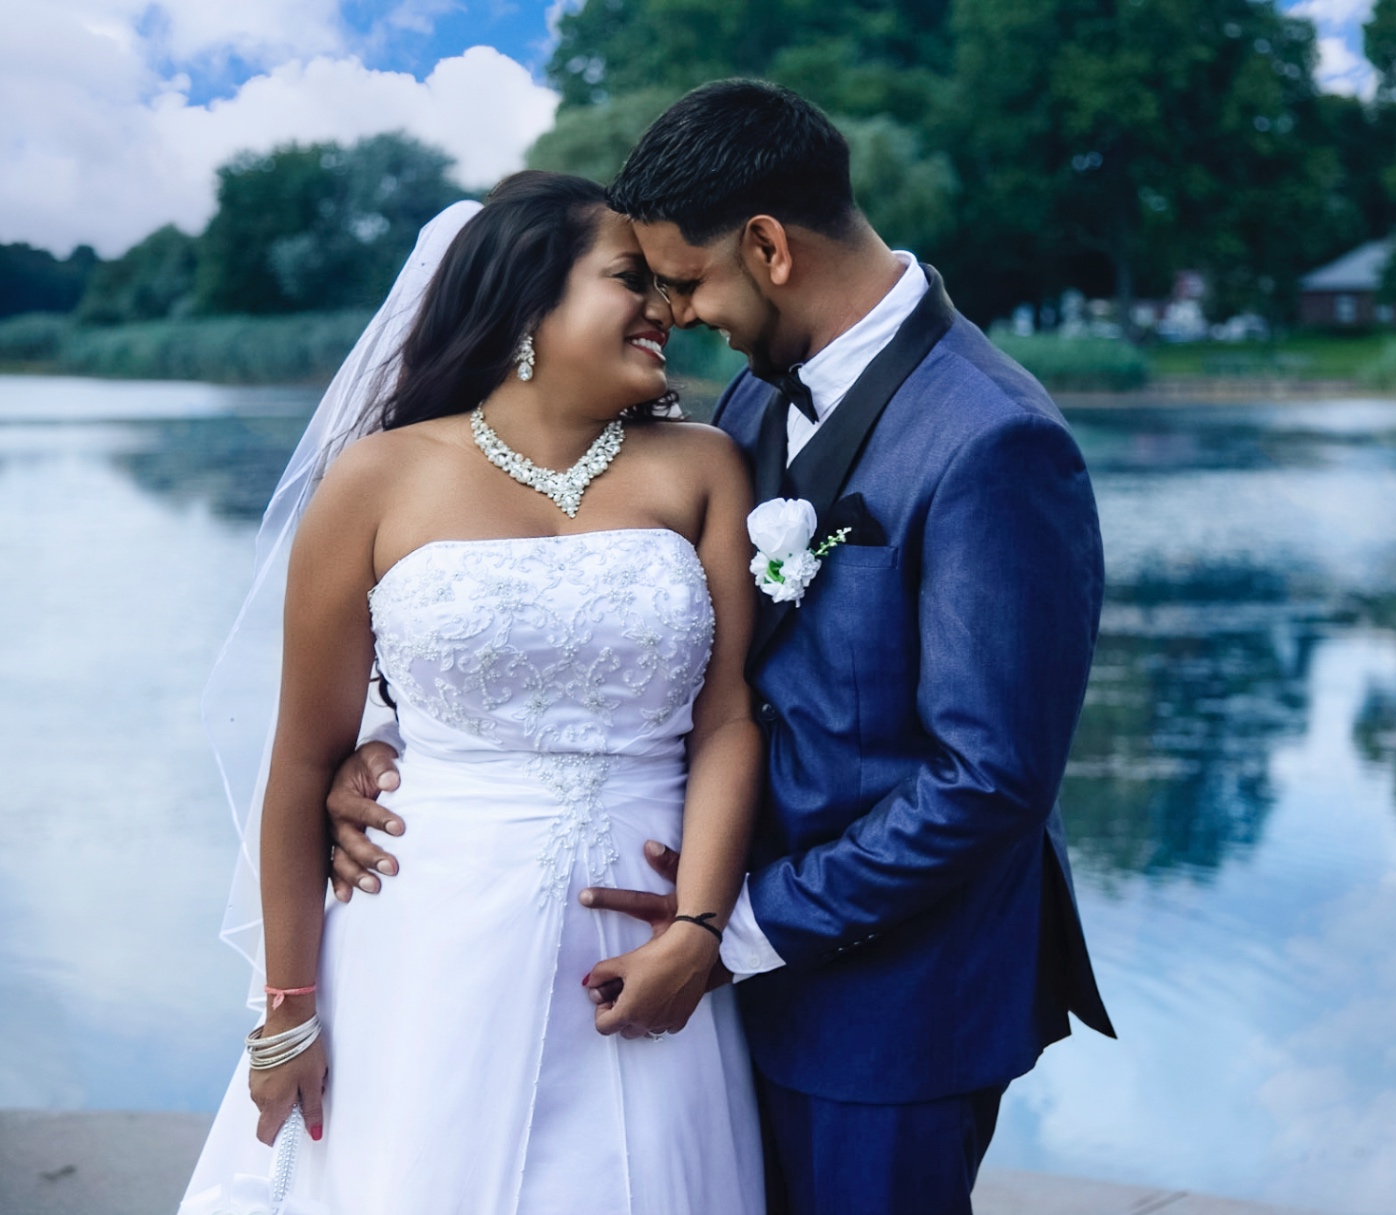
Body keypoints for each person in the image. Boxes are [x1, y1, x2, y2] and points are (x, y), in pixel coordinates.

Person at [329, 80, 1116, 1214]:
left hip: (890, 1008)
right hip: (708, 977)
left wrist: (734, 931)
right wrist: (383, 745)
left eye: (688, 281)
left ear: (768, 245)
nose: (679, 315)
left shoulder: (997, 441)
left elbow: (989, 779)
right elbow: (575, 608)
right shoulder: (748, 406)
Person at [180, 172, 765, 1213]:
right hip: (428, 935)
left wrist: (700, 930)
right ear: (529, 299)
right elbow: (304, 761)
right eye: (630, 281)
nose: (666, 310)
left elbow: (725, 722)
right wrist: (288, 1015)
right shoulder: (375, 479)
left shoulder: (708, 466)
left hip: (646, 944)